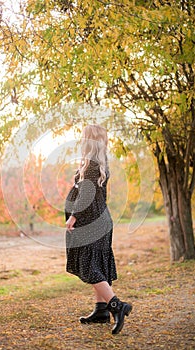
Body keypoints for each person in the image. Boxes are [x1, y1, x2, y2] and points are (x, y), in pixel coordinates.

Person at [65, 124, 132, 335]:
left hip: (92, 223)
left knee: (89, 266)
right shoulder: (99, 163)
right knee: (97, 264)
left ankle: (116, 306)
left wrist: (74, 216)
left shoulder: (92, 165)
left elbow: (86, 195)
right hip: (101, 221)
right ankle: (101, 310)